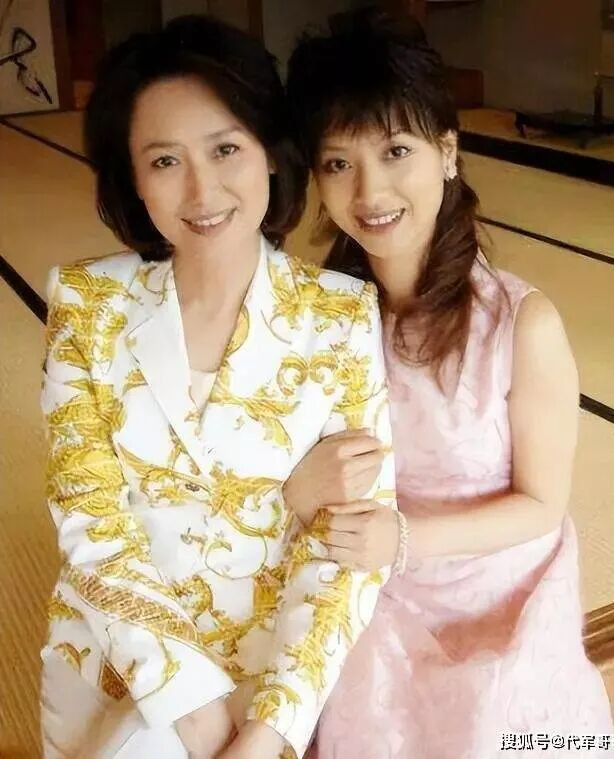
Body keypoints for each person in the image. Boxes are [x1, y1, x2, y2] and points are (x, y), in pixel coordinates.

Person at [39, 15, 396, 759]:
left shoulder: (340, 315)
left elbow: (348, 552)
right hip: (121, 665)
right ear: (133, 178)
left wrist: (265, 734)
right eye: (165, 160)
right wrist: (193, 711)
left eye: (226, 149)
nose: (202, 190)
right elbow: (92, 522)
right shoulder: (85, 304)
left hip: (270, 677)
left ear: (270, 152)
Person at [282, 8, 614, 758]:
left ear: (448, 151)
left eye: (396, 150)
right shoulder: (315, 322)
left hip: (499, 600)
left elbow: (542, 505)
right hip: (370, 594)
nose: (370, 191)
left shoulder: (523, 325)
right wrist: (304, 494)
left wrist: (403, 538)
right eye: (338, 163)